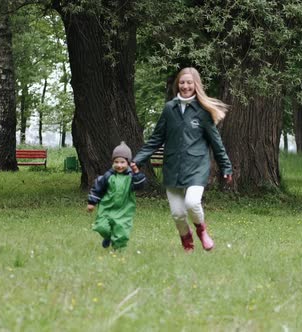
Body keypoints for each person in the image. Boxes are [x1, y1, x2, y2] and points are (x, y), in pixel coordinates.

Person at [131, 67, 233, 252]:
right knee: (178, 214)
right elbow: (156, 139)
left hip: (196, 166)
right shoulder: (170, 108)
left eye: (189, 82)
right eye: (182, 82)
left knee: (192, 203)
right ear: (178, 84)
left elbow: (216, 143)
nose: (185, 86)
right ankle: (187, 242)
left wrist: (226, 167)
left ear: (196, 85)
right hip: (173, 167)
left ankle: (201, 230)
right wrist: (137, 160)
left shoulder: (202, 111)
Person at [87, 141, 146, 250]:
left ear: (128, 163)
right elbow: (97, 188)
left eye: (122, 162)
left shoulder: (131, 177)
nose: (119, 165)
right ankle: (108, 236)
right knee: (101, 227)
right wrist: (92, 202)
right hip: (107, 209)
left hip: (124, 210)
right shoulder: (108, 176)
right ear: (112, 162)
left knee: (121, 232)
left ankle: (118, 252)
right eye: (116, 162)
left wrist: (136, 172)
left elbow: (140, 185)